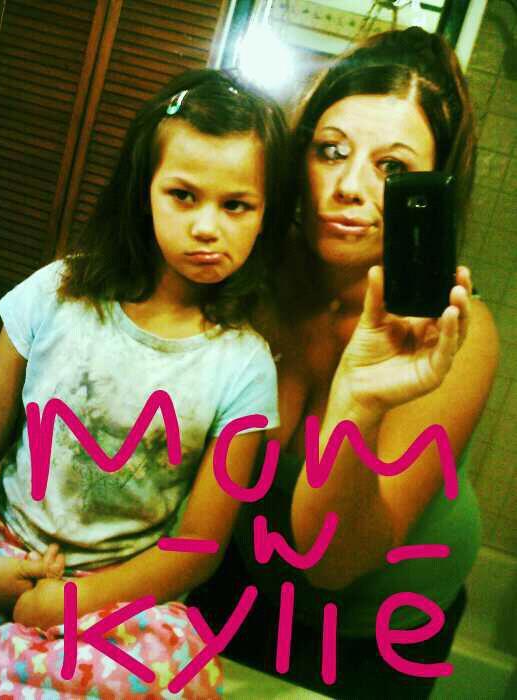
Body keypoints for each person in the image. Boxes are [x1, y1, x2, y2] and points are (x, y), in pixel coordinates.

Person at [187, 27, 499, 698]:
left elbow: (332, 561)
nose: (350, 186)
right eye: (331, 151)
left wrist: (359, 401)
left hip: (376, 632)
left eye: (392, 169)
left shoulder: (452, 331)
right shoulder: (249, 272)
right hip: (238, 589)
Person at [0, 69, 290, 697]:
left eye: (236, 205)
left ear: (266, 215)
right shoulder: (53, 294)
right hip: (4, 548)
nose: (207, 226)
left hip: (121, 594)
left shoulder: (244, 366)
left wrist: (70, 600)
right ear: (143, 191)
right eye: (183, 195)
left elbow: (198, 547)